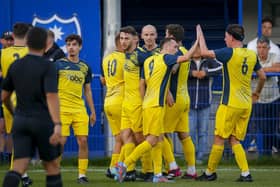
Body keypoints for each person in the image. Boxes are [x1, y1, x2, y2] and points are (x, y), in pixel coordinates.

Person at [115, 37, 198, 183]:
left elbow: (143, 83)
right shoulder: (166, 58)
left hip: (147, 104)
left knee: (159, 139)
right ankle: (124, 164)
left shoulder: (148, 62)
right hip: (156, 106)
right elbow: (186, 57)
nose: (176, 49)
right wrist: (196, 42)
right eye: (174, 47)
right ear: (165, 48)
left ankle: (158, 174)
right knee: (152, 140)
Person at [196, 24, 266, 182]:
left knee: (219, 138)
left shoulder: (228, 52)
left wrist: (200, 35)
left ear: (232, 38)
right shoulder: (251, 54)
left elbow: (204, 53)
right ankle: (245, 173)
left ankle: (209, 173)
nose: (224, 39)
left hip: (230, 103)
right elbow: (262, 76)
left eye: (226, 36)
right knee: (235, 139)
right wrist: (257, 93)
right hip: (246, 104)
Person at [1, 26, 62, 187]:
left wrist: (14, 112)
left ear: (27, 42)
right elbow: (51, 96)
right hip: (42, 121)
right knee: (52, 167)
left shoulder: (16, 66)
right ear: (46, 43)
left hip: (20, 120)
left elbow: (4, 97)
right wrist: (57, 124)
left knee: (18, 166)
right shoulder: (47, 66)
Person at [57, 34, 96, 184]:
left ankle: (82, 175)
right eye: (68, 45)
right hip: (62, 109)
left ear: (80, 47)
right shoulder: (58, 65)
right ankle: (55, 172)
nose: (71, 47)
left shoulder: (85, 67)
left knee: (83, 141)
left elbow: (88, 90)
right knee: (61, 142)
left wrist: (92, 111)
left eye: (74, 44)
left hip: (79, 109)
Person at [0, 22, 33, 187]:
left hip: (8, 100)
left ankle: (23, 174)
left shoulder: (3, 53)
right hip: (25, 100)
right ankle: (19, 174)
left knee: (16, 138)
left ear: (13, 36)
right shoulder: (32, 52)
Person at [163, 24, 197, 179]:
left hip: (174, 99)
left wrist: (167, 91)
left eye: (166, 34)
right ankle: (191, 170)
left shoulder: (176, 52)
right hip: (185, 98)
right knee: (184, 135)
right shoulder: (185, 51)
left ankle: (172, 167)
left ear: (171, 36)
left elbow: (173, 69)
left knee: (159, 133)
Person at [188, 45, 222, 163]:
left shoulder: (209, 61)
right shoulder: (186, 62)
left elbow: (221, 68)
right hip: (190, 104)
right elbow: (178, 71)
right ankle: (191, 155)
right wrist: (191, 73)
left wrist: (205, 73)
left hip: (205, 103)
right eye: (194, 48)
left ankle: (200, 157)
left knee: (203, 132)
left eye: (199, 48)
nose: (197, 51)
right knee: (191, 132)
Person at [248, 36, 280, 155]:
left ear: (269, 48)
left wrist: (260, 70)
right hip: (259, 100)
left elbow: (277, 68)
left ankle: (267, 155)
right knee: (265, 130)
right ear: (256, 47)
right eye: (259, 47)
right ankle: (266, 154)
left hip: (274, 98)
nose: (261, 50)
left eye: (264, 47)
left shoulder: (274, 56)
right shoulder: (252, 57)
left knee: (272, 129)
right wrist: (265, 71)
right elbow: (248, 71)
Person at [100, 33, 125, 178]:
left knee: (119, 139)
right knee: (128, 138)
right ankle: (119, 168)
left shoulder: (107, 59)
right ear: (120, 43)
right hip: (120, 101)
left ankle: (112, 168)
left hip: (108, 101)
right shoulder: (125, 59)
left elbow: (103, 80)